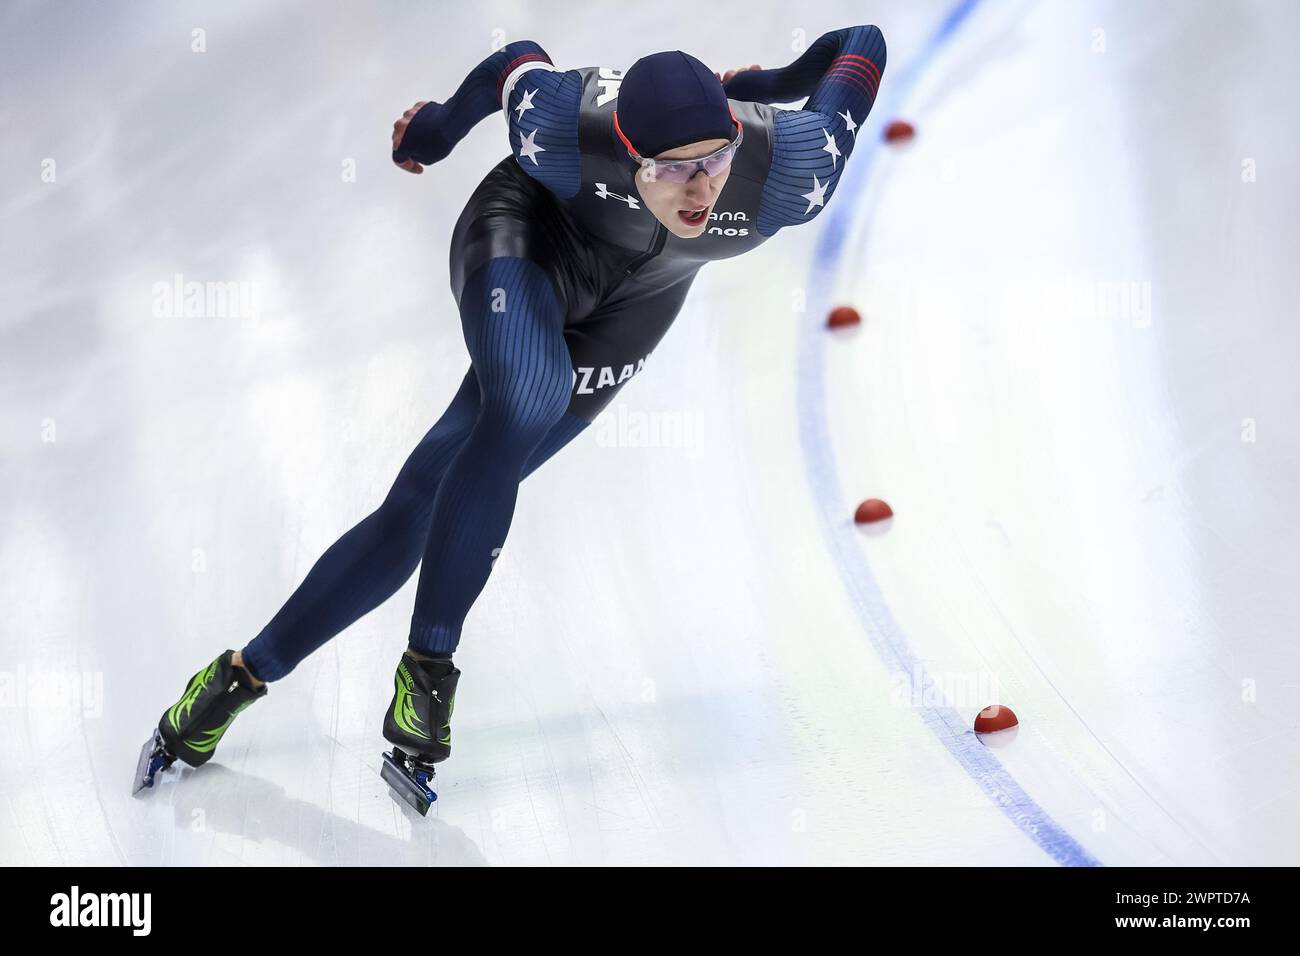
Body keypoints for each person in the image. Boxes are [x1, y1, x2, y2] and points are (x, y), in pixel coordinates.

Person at [148, 25, 887, 782]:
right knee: (527, 400)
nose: (702, 192)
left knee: (422, 505)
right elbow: (513, 60)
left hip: (638, 308)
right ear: (630, 154)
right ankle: (428, 675)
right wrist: (433, 130)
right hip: (528, 241)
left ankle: (233, 679)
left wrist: (766, 87)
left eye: (717, 161)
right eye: (674, 171)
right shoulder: (565, 125)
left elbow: (860, 41)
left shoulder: (796, 164)